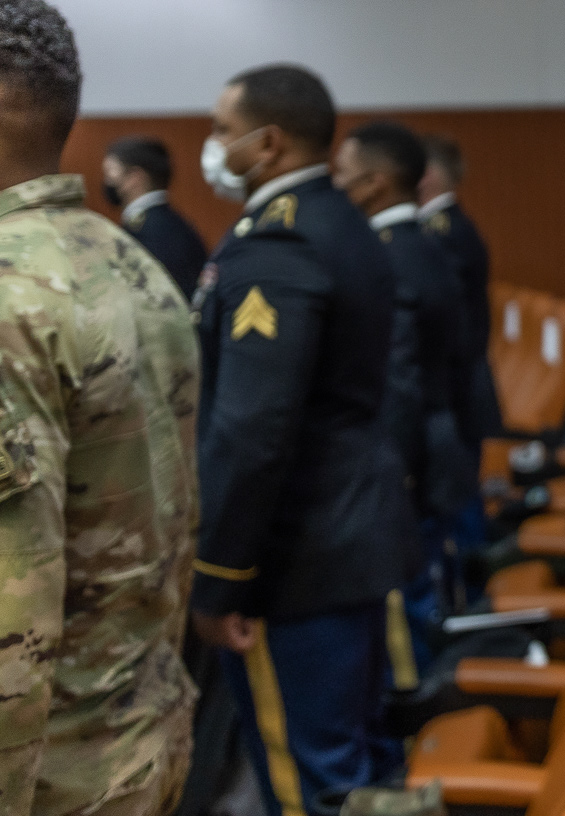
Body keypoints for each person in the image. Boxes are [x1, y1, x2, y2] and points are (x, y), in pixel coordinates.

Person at [189, 64, 415, 815]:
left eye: (223, 130)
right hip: (347, 536)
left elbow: (252, 429)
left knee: (304, 788)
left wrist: (220, 578)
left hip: (293, 560)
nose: (213, 146)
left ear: (269, 143)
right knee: (352, 772)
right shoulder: (340, 221)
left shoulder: (277, 242)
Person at [0, 0, 199, 816]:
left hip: (50, 774)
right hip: (136, 733)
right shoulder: (126, 260)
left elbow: (10, 608)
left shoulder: (8, 296)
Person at [333, 120, 475, 675]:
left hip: (409, 449)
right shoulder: (421, 244)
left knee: (406, 596)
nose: (336, 184)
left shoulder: (389, 258)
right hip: (435, 435)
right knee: (426, 580)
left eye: (343, 173)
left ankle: (418, 700)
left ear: (376, 182)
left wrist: (391, 467)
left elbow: (399, 378)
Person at [418, 136, 499, 441]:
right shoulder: (450, 225)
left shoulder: (440, 233)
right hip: (460, 380)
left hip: (456, 388)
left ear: (426, 175)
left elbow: (449, 319)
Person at [102, 135, 209, 298]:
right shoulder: (175, 223)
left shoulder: (143, 233)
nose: (106, 181)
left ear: (135, 178)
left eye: (110, 173)